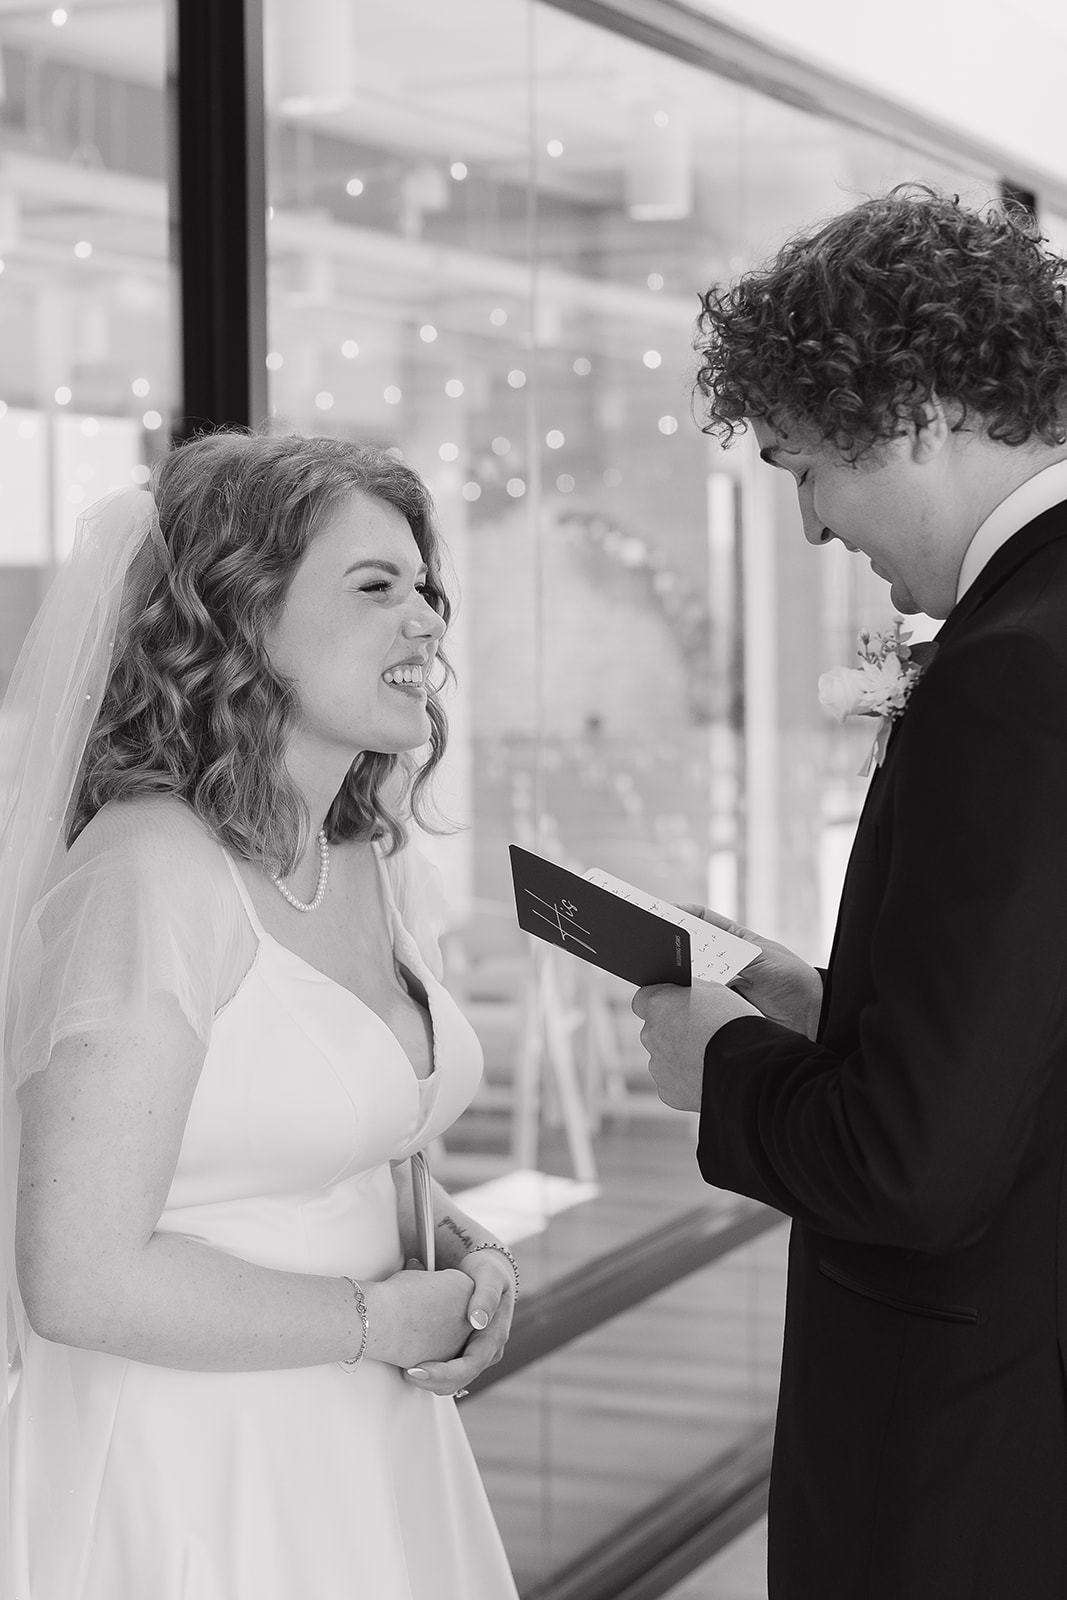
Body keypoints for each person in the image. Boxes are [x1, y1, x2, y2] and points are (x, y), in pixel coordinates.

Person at [633, 188, 1067, 1599]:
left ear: (924, 409)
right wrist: (833, 1013)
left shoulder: (1012, 674)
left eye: (804, 464)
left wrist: (724, 1067)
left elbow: (913, 1169)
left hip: (970, 1456)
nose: (813, 525)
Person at [1, 431, 521, 1600]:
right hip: (196, 1466)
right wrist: (380, 1320)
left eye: (426, 586)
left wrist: (470, 1255)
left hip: (369, 1444)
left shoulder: (357, 856)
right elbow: (79, 1276)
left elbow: (305, 1142)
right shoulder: (149, 876)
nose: (429, 619)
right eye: (376, 586)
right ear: (241, 616)